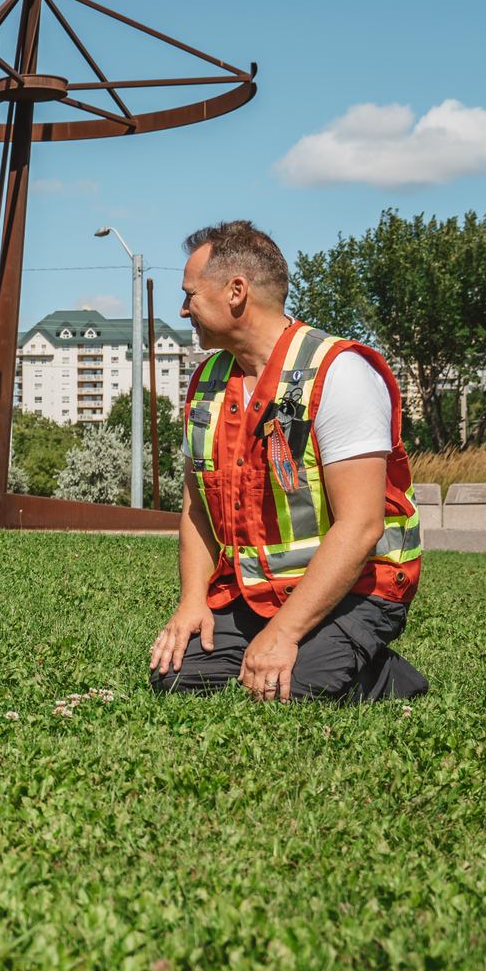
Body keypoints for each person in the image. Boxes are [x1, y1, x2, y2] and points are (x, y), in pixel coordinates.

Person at [150, 220, 427, 703]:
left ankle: (388, 678)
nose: (183, 308)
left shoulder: (339, 373)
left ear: (236, 292)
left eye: (191, 294)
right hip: (256, 593)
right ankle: (294, 649)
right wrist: (193, 601)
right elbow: (197, 507)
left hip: (357, 590)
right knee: (173, 678)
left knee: (290, 691)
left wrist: (284, 633)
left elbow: (361, 526)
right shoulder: (208, 381)